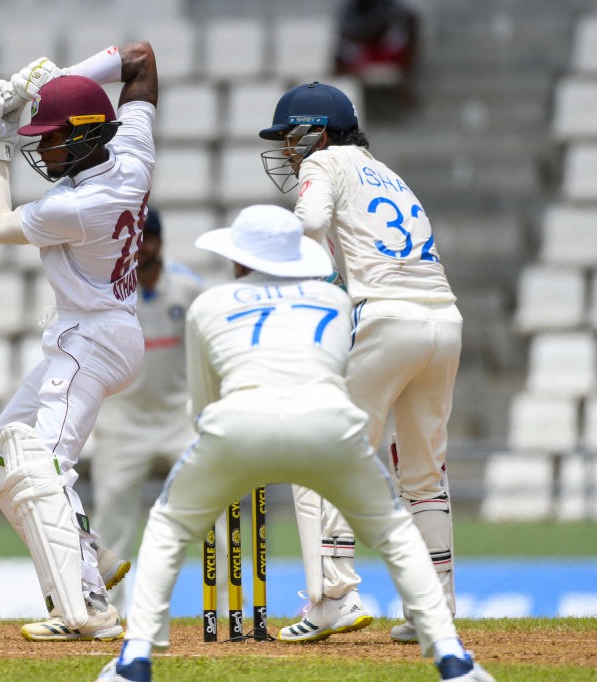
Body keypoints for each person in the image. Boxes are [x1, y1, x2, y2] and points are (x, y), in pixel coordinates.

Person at [93, 204, 493, 682]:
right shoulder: (336, 303)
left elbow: (202, 404)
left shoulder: (208, 304)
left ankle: (135, 660)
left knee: (168, 526)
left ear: (240, 260)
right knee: (394, 532)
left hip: (237, 424)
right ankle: (453, 659)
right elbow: (337, 370)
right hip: (330, 425)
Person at [0, 41, 158, 642]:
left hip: (92, 339)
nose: (40, 147)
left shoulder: (76, 204)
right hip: (96, 331)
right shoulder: (132, 151)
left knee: (44, 463)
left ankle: (86, 608)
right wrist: (52, 83)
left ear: (88, 136)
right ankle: (87, 562)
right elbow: (141, 59)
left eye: (49, 136)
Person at [259, 81, 462, 645]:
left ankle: (332, 599)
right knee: (424, 473)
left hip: (385, 318)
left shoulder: (323, 163)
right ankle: (434, 609)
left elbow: (308, 223)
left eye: (291, 139)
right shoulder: (387, 173)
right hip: (445, 318)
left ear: (317, 133)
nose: (288, 153)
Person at [89, 208, 205, 616]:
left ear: (158, 241)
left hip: (180, 417)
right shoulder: (108, 293)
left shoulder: (189, 290)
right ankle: (107, 611)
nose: (141, 249)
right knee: (111, 515)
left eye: (147, 239)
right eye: (133, 242)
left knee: (217, 508)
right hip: (124, 420)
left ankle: (230, 609)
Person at [333, 0, 420, 105]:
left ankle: (404, 81)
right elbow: (346, 34)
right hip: (362, 50)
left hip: (383, 48)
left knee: (409, 27)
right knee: (341, 49)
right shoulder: (350, 8)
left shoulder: (391, 6)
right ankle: (342, 83)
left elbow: (408, 21)